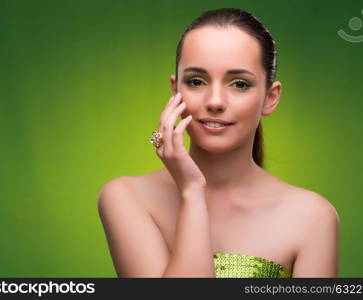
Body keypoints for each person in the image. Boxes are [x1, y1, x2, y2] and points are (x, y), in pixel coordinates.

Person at [98, 8, 339, 278]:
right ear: (175, 90)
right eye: (196, 81)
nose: (214, 101)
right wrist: (192, 191)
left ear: (270, 97)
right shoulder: (126, 196)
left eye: (239, 84)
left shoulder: (312, 217)